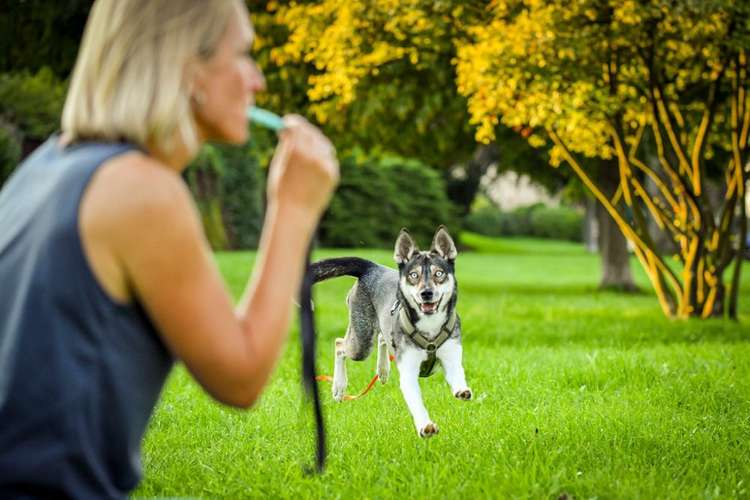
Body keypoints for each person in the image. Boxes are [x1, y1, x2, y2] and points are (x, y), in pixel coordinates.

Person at [0, 0, 339, 497]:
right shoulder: (142, 191)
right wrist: (294, 210)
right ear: (188, 67)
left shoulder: (49, 164)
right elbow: (240, 378)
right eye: (242, 55)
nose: (257, 81)